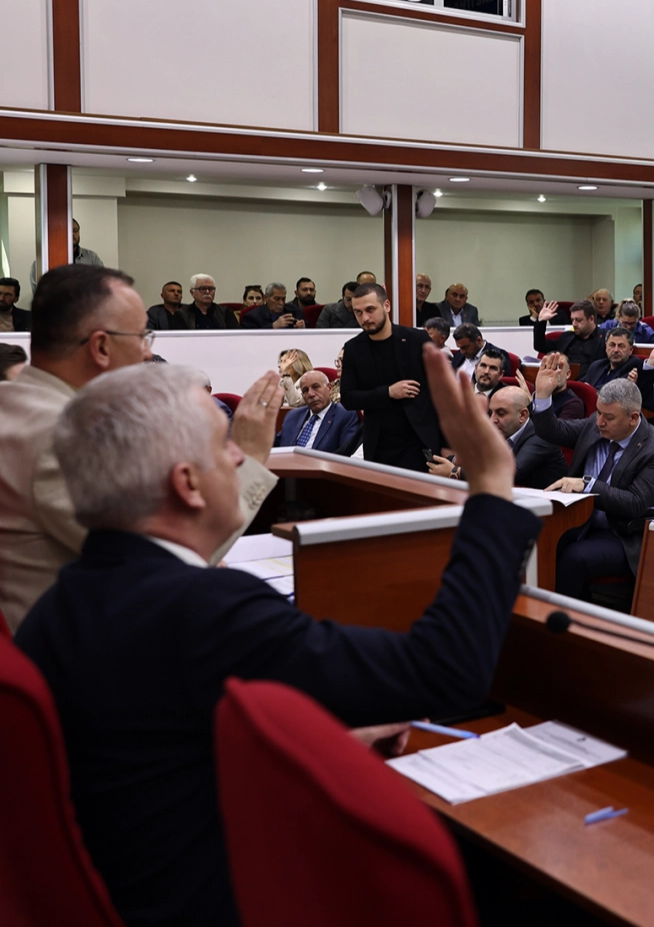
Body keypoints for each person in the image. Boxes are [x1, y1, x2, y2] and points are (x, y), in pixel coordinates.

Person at [15, 349, 541, 927]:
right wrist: (490, 485)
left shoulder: (59, 606)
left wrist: (307, 744)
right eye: (226, 446)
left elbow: (162, 744)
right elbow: (445, 669)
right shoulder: (205, 611)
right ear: (187, 484)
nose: (242, 456)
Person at [0, 265, 279, 633]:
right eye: (143, 337)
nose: (148, 354)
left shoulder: (13, 403)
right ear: (100, 346)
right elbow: (175, 561)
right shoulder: (61, 436)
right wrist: (250, 457)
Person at [527, 368, 654, 599]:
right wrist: (544, 396)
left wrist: (587, 484)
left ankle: (558, 624)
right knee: (531, 538)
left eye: (608, 417)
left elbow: (636, 503)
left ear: (633, 418)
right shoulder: (594, 426)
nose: (599, 422)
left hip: (621, 534)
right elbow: (553, 431)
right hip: (578, 520)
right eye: (598, 412)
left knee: (574, 558)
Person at [339, 283, 442, 471]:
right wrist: (388, 392)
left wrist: (446, 444)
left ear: (386, 306)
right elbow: (348, 398)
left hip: (419, 440)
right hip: (378, 443)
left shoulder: (417, 340)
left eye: (370, 309)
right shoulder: (353, 348)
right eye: (358, 312)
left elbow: (441, 394)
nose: (365, 318)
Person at [487, 383, 567, 489]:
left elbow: (508, 473)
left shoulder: (541, 436)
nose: (492, 420)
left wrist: (459, 470)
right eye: (490, 412)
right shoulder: (501, 431)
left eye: (500, 413)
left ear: (522, 415)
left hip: (549, 503)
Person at [274, 370, 361, 454]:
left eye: (316, 387)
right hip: (288, 465)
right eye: (305, 390)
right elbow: (275, 446)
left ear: (330, 389)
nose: (311, 394)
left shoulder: (344, 414)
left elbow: (346, 453)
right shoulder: (293, 416)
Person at [29, 219, 105, 289]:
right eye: (68, 231)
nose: (72, 234)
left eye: (75, 231)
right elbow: (38, 291)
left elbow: (103, 282)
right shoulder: (44, 260)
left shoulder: (92, 258)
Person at [541, 300, 607, 366]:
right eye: (572, 320)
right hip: (565, 374)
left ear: (591, 319)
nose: (574, 324)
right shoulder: (567, 337)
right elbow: (540, 346)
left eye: (578, 320)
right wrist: (541, 321)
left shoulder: (605, 338)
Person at [240, 282, 306, 330]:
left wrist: (303, 327)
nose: (281, 303)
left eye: (283, 299)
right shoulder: (251, 317)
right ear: (266, 298)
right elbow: (250, 338)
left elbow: (310, 330)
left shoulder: (295, 311)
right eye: (276, 299)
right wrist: (273, 327)